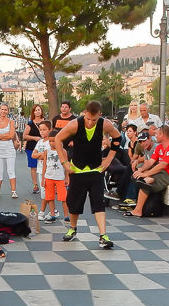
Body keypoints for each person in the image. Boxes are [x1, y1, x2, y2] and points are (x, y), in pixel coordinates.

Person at [52, 100, 121, 248]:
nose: (90, 122)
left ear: (99, 116)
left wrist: (109, 159)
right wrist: (65, 162)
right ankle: (72, 228)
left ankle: (103, 235)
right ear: (84, 113)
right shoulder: (75, 124)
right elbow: (57, 139)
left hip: (96, 169)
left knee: (98, 202)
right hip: (77, 170)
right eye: (88, 119)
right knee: (74, 203)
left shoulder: (105, 124)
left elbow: (117, 138)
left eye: (94, 120)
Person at [125, 125, 169, 220]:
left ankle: (138, 210)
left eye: (157, 134)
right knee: (141, 177)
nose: (155, 136)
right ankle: (138, 207)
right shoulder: (160, 147)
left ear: (163, 135)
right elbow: (150, 162)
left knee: (145, 182)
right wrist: (141, 170)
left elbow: (163, 165)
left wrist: (146, 174)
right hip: (164, 173)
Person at [33, 122, 69, 223]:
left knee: (64, 198)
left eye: (54, 141)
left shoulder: (63, 151)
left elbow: (66, 166)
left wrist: (67, 177)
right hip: (49, 177)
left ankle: (66, 215)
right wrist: (43, 178)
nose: (52, 143)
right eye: (50, 141)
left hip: (60, 178)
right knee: (49, 197)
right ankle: (52, 214)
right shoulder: (47, 151)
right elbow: (45, 165)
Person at [0, 104, 19, 197]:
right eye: (2, 109)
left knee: (10, 170)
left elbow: (11, 135)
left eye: (5, 110)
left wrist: (0, 137)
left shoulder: (11, 122)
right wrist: (5, 136)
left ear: (8, 111)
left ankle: (13, 191)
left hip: (10, 149)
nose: (3, 111)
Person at [23, 104, 45, 194]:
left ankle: (46, 184)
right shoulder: (30, 123)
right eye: (35, 110)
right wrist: (35, 138)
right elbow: (25, 136)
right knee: (34, 167)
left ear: (41, 111)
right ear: (33, 112)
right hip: (32, 147)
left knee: (46, 165)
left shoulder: (46, 122)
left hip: (44, 147)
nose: (37, 112)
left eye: (39, 110)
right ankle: (35, 185)